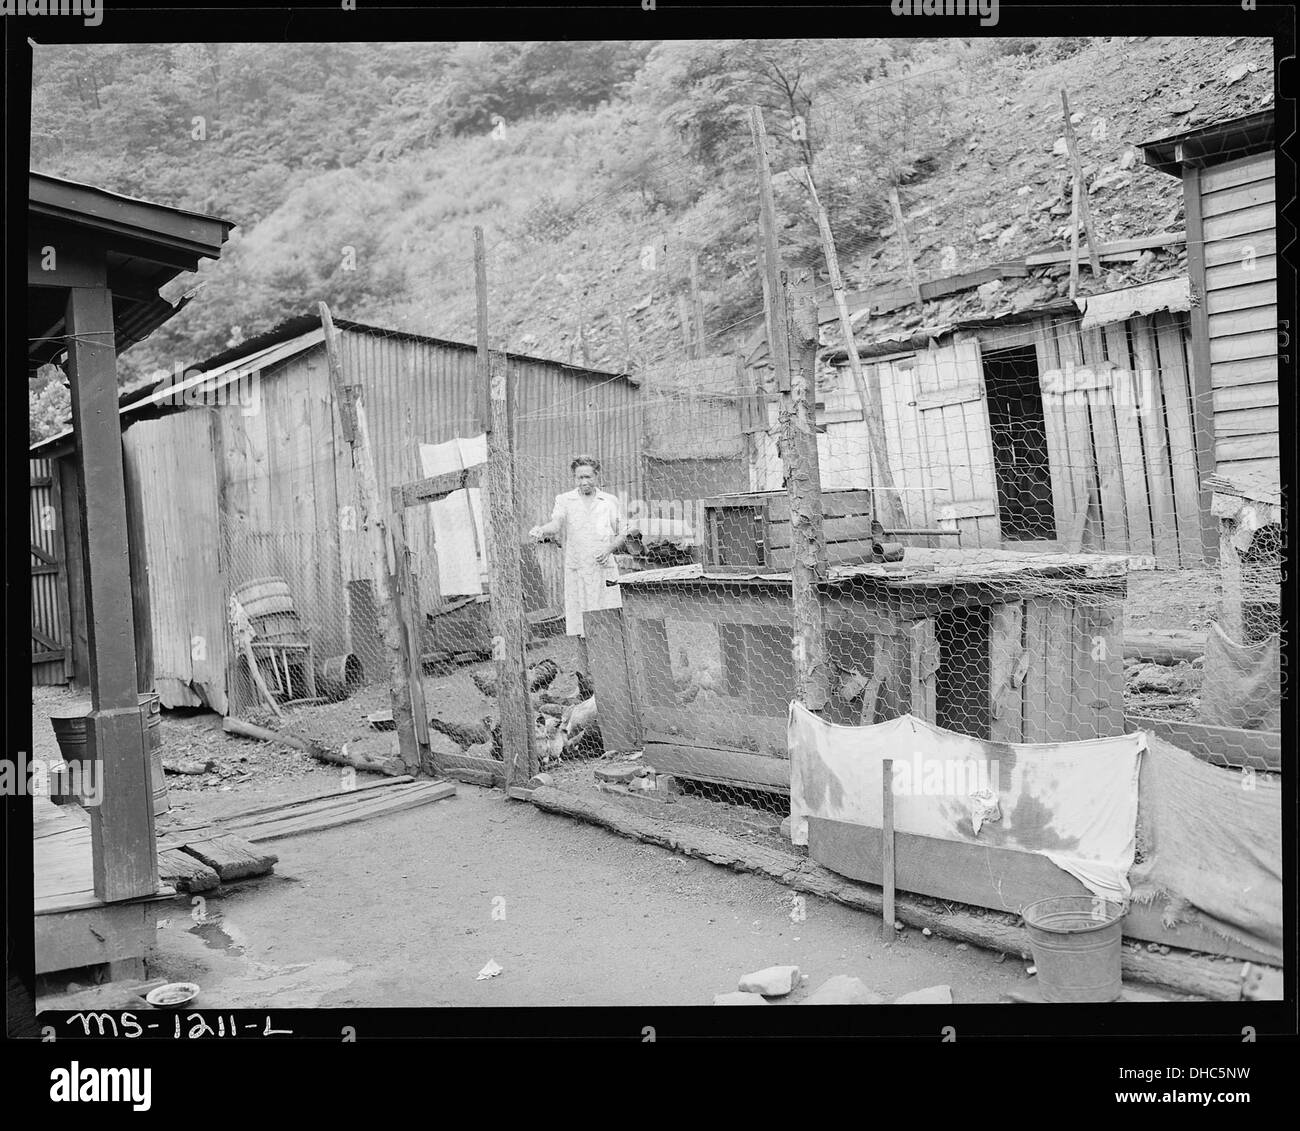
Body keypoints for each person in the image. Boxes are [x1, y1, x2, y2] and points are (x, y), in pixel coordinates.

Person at [529, 455, 625, 675]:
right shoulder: (565, 500)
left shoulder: (609, 501)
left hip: (603, 571)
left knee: (607, 622)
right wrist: (542, 529)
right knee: (580, 626)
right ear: (574, 478)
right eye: (580, 477)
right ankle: (583, 681)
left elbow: (623, 532)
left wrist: (608, 549)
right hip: (578, 571)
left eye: (588, 476)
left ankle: (611, 676)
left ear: (597, 475)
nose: (584, 482)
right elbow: (556, 523)